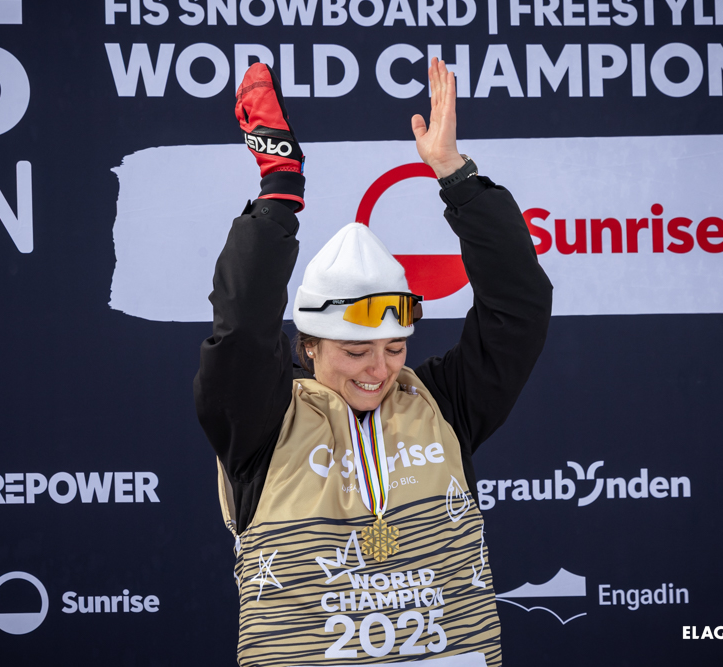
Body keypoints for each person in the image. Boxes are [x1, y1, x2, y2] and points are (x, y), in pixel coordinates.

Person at [195, 59, 552, 667]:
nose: (379, 370)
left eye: (394, 347)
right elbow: (241, 331)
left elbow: (518, 307)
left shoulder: (441, 404)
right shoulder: (262, 426)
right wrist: (279, 189)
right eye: (355, 350)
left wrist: (457, 176)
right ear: (309, 345)